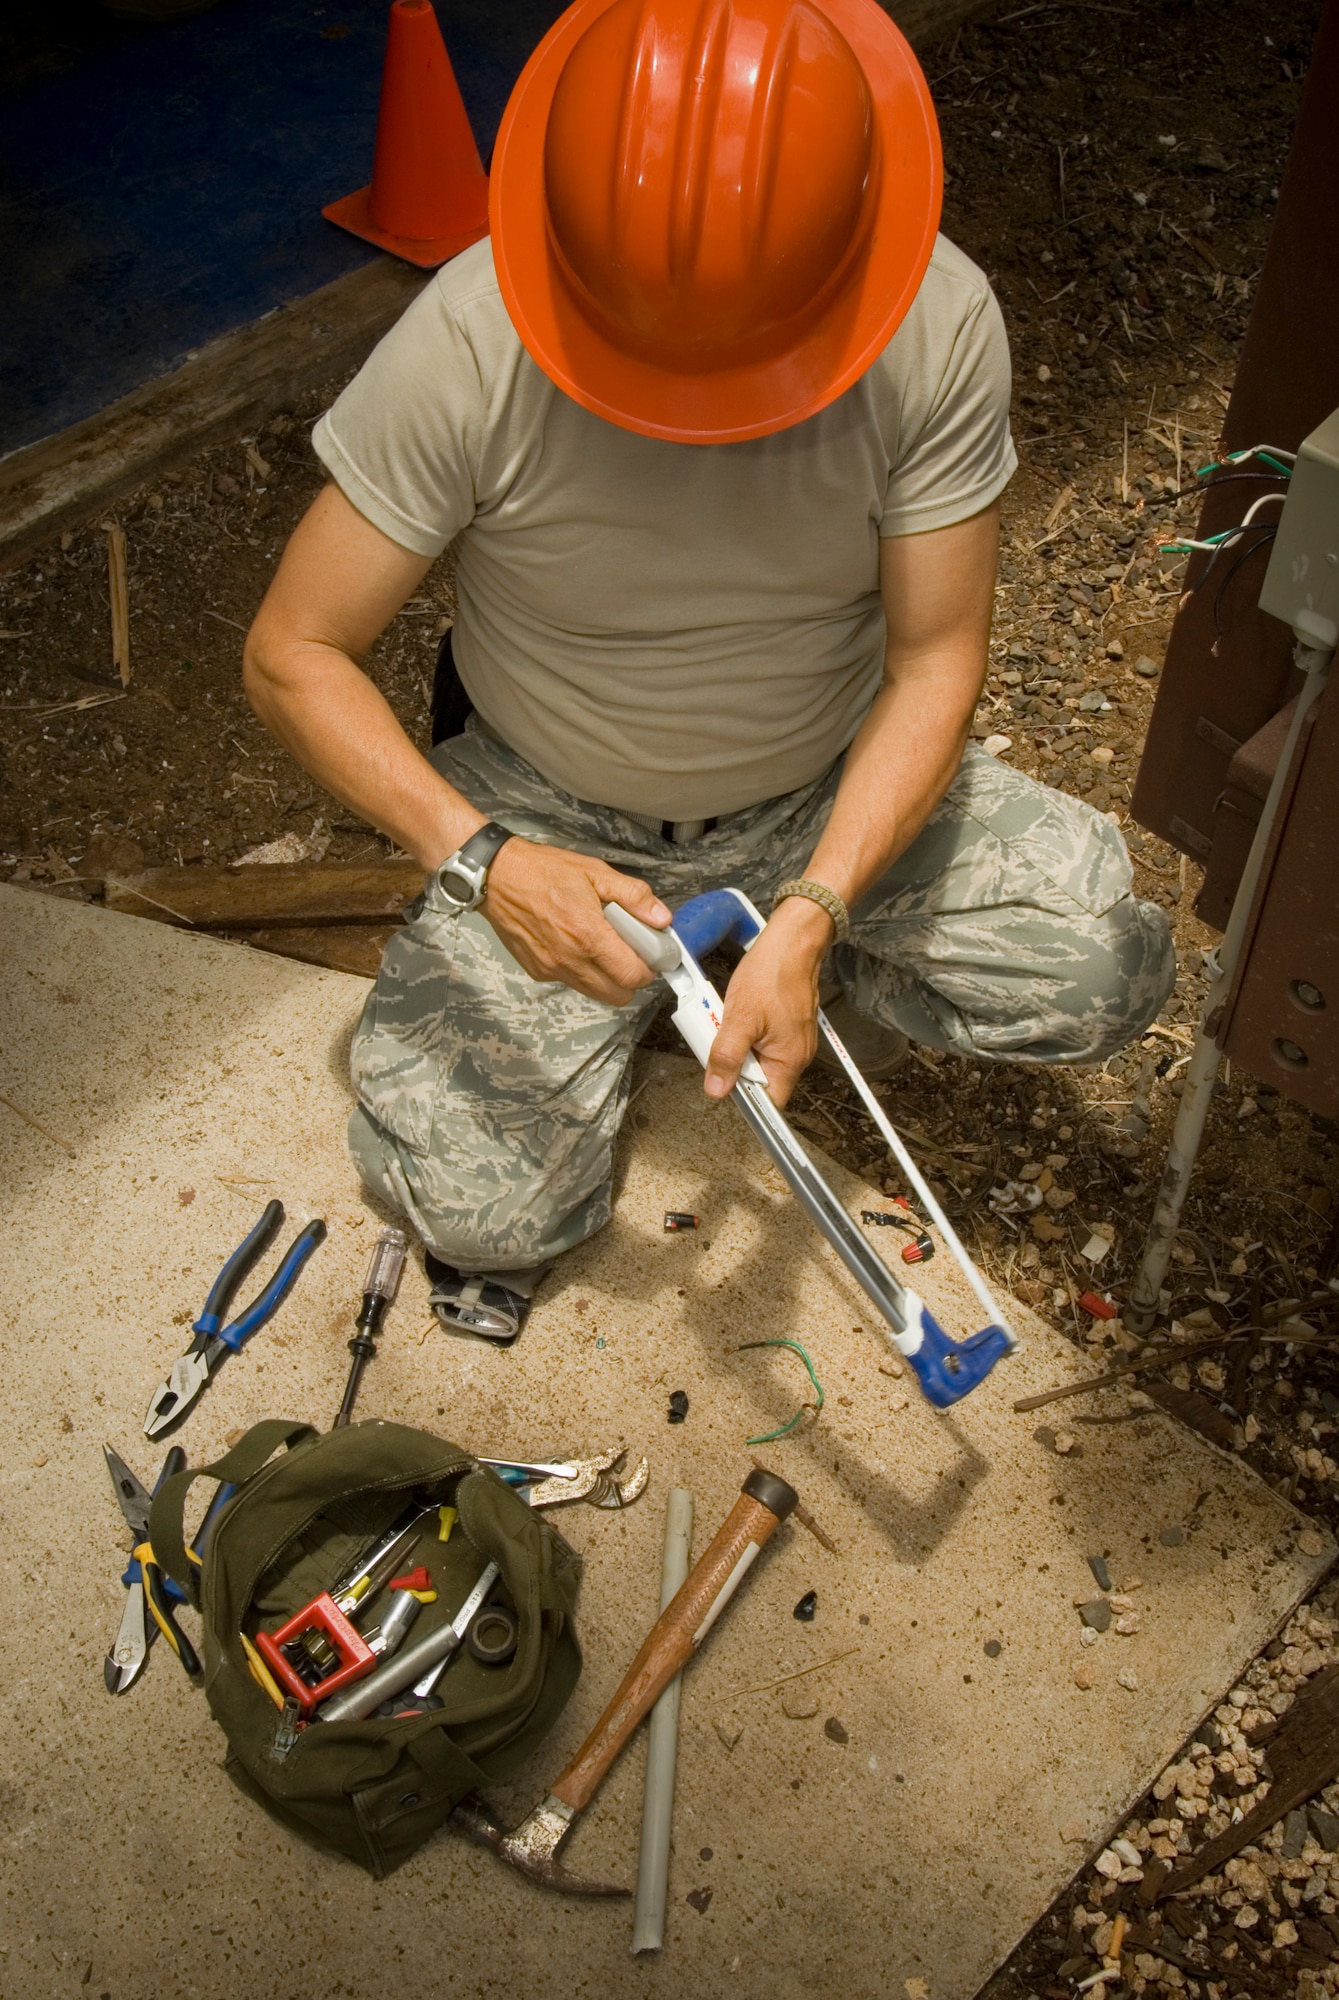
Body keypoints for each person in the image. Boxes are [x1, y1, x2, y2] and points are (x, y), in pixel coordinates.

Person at [243, 0, 1175, 1340]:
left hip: (819, 781)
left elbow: (932, 664)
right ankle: (632, 968)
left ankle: (763, 961)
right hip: (549, 804)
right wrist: (489, 863)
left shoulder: (938, 320)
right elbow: (292, 652)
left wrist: (809, 911)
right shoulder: (470, 336)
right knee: (475, 1217)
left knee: (1101, 972)